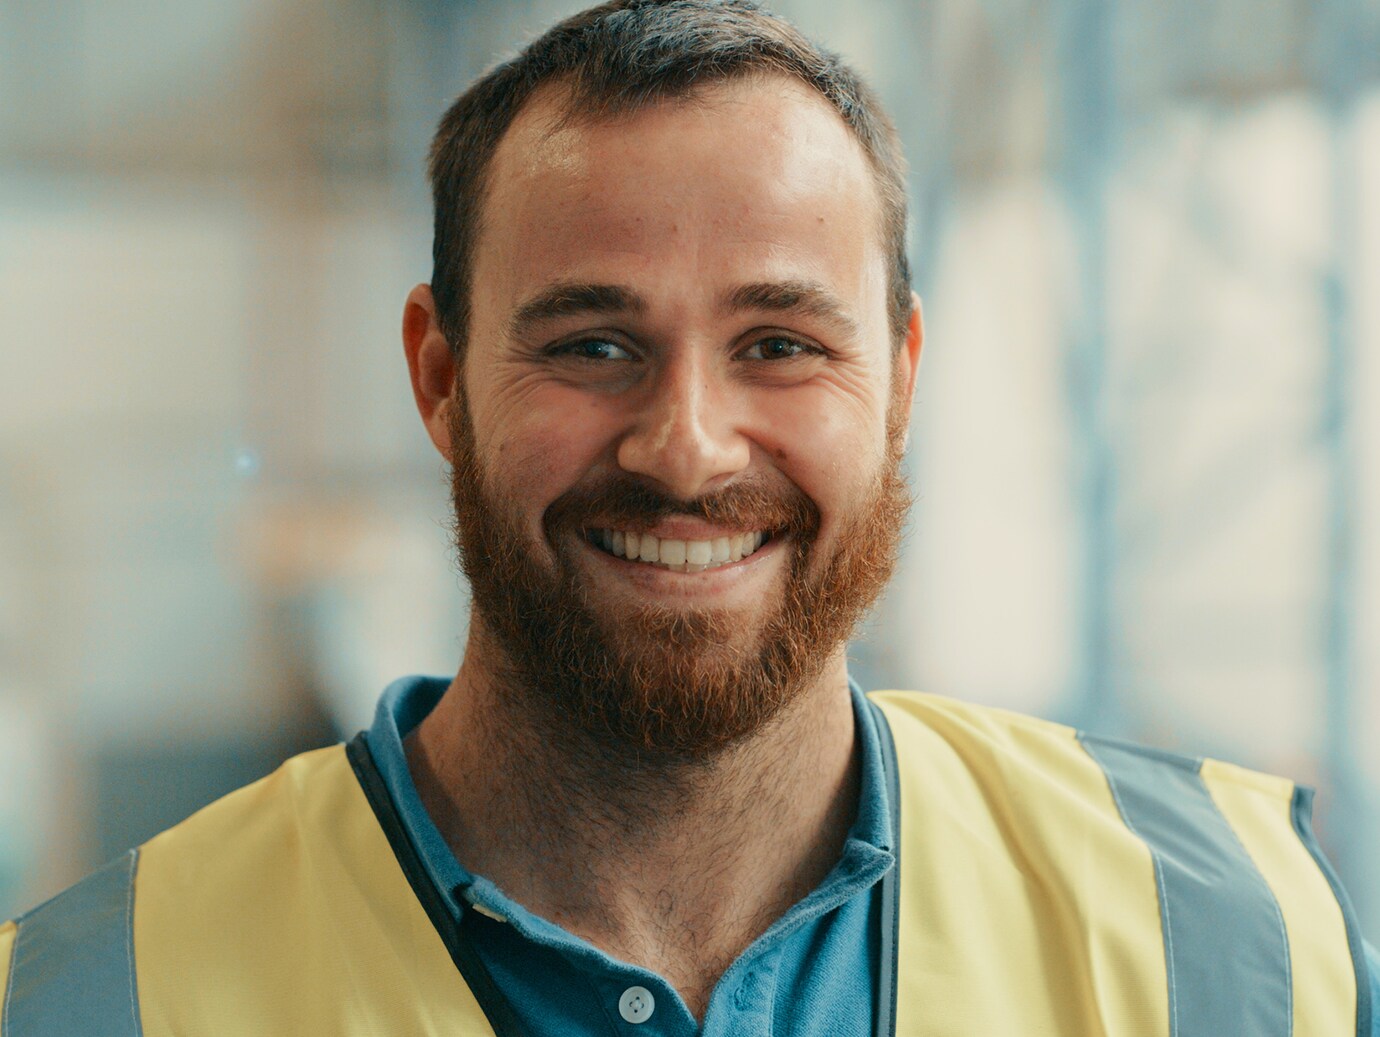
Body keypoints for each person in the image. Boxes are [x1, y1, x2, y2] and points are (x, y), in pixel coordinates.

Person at [2, 1, 1376, 1033]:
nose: (687, 447)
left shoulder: (1241, 944)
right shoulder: (92, 998)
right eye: (594, 344)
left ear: (898, 379)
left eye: (779, 343)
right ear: (437, 376)